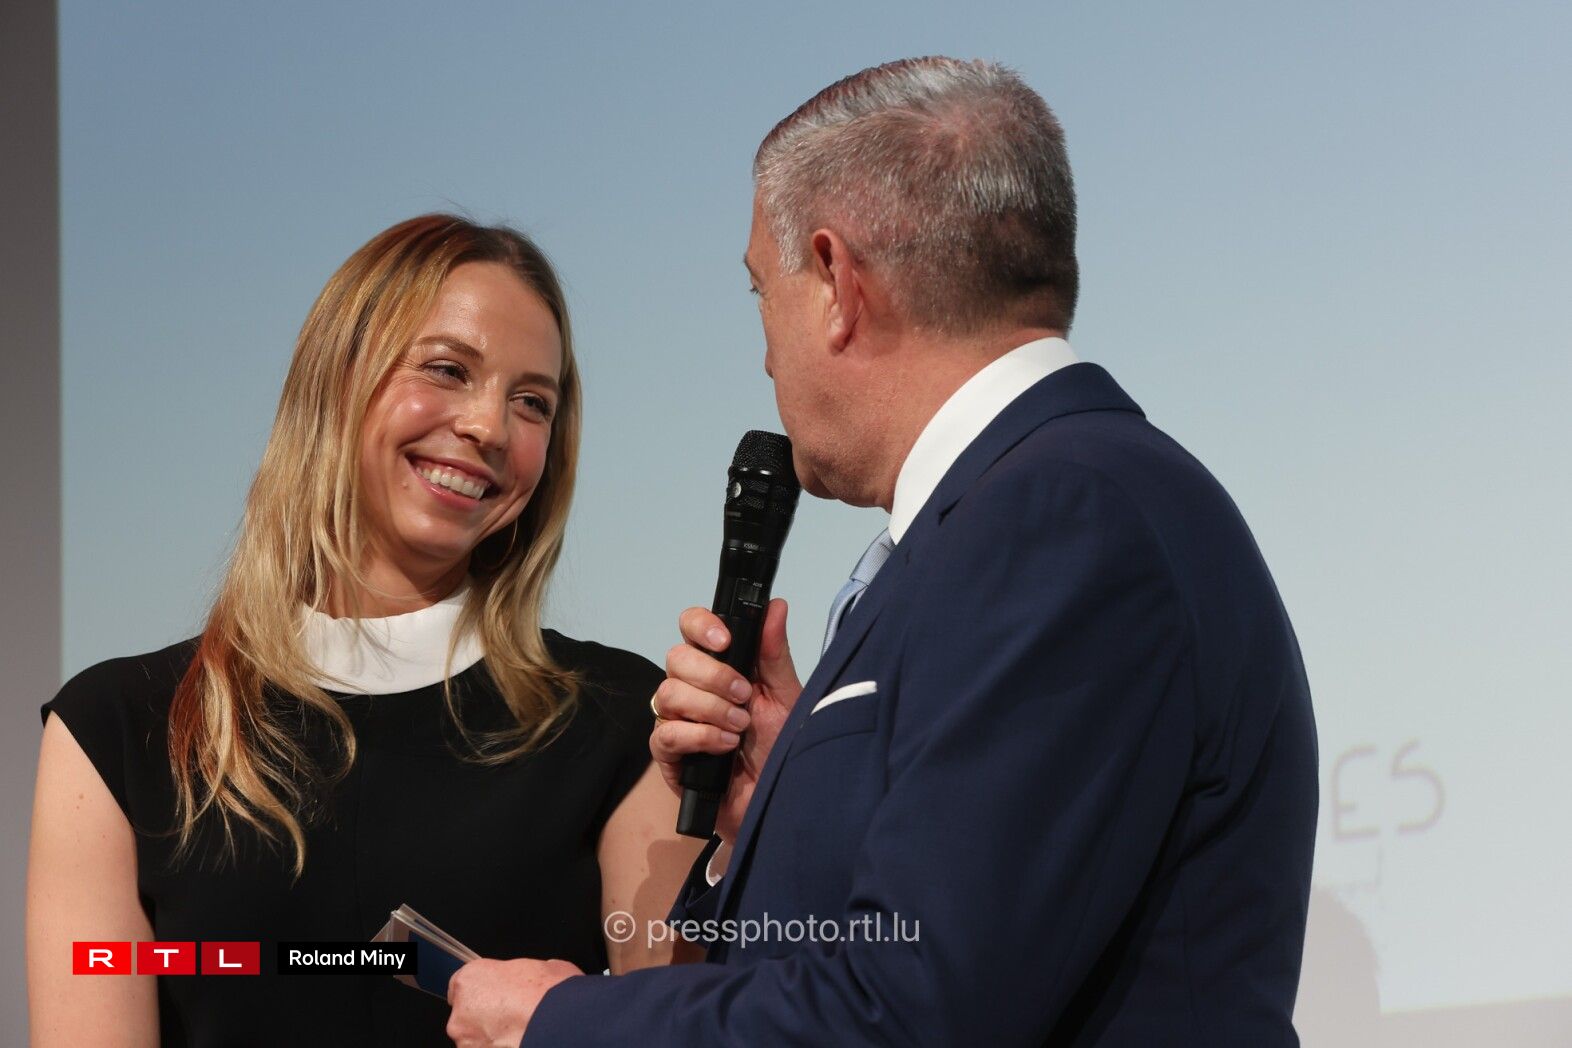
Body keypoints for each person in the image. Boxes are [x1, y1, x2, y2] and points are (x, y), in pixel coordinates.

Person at [445, 57, 1318, 1047]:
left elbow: (912, 1012)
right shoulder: (1030, 506)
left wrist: (561, 1022)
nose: (765, 354)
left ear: (835, 280)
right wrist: (787, 803)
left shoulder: (1061, 514)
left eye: (760, 293)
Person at [26, 214, 704, 1046]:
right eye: (448, 369)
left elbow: (689, 1026)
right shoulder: (117, 729)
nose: (490, 427)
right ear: (336, 378)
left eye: (532, 402)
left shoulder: (625, 721)